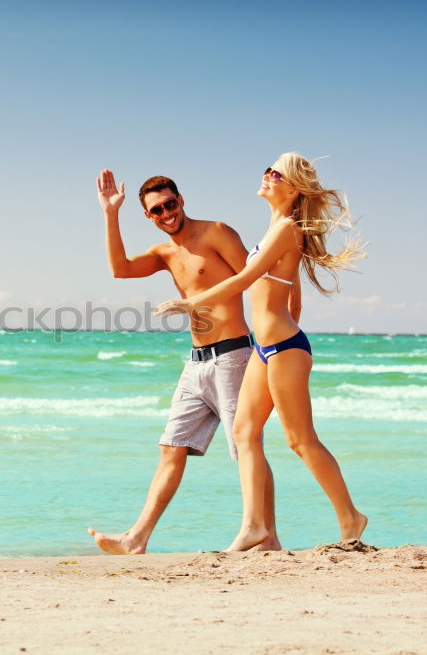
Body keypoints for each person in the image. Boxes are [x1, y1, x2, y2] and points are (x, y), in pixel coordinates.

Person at [156, 153, 368, 551]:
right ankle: (257, 529)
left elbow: (245, 279)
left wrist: (189, 304)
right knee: (244, 432)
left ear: (292, 189)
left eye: (276, 174)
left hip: (285, 349)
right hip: (265, 347)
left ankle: (351, 517)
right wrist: (273, 329)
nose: (267, 176)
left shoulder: (287, 228)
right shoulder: (274, 227)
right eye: (267, 170)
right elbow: (288, 293)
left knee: (300, 439)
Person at [87, 169, 289, 554]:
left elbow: (253, 275)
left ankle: (267, 536)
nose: (166, 214)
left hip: (234, 357)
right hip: (195, 364)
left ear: (181, 200)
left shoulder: (216, 232)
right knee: (171, 447)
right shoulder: (165, 253)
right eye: (156, 211)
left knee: (248, 447)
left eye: (170, 204)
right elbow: (120, 269)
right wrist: (110, 214)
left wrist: (274, 327)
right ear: (148, 217)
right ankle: (136, 538)